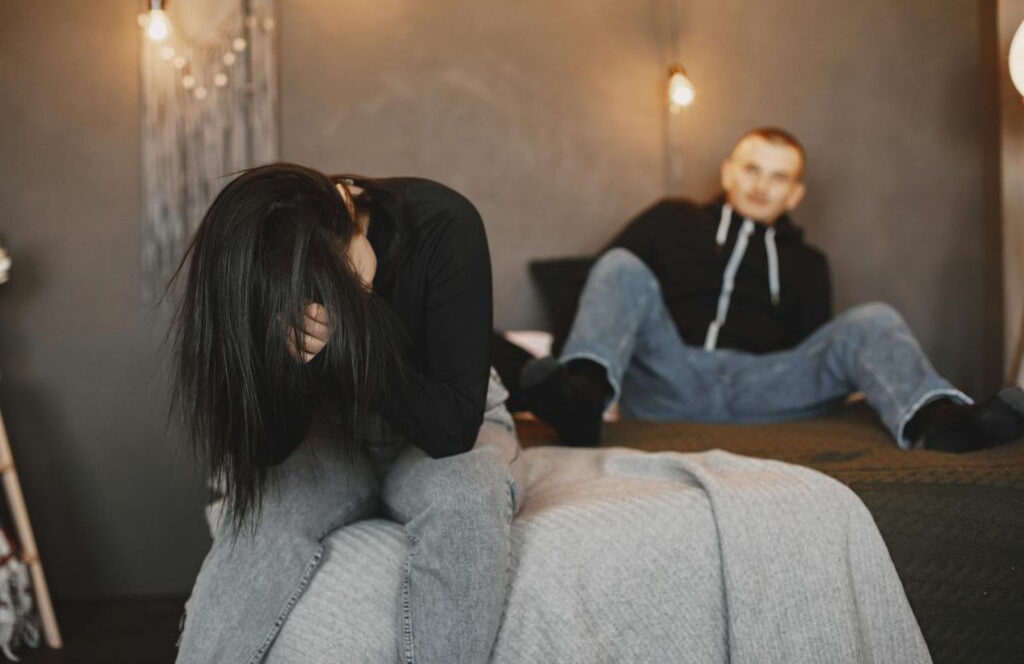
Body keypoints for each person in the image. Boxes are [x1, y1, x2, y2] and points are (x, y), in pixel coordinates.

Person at [172, 163, 525, 663]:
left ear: (348, 212)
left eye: (345, 279)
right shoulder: (272, 262)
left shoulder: (443, 223)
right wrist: (285, 364)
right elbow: (267, 453)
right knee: (262, 513)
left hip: (446, 425)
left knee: (468, 498)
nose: (353, 296)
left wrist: (352, 343)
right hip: (332, 434)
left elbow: (454, 428)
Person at [518, 127, 1024, 452]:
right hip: (669, 377)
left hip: (762, 386)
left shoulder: (807, 262)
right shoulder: (671, 218)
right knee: (621, 266)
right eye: (752, 169)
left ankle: (937, 422)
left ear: (795, 193)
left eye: (778, 177)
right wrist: (569, 367)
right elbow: (596, 286)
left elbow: (813, 352)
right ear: (728, 172)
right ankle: (580, 403)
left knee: (871, 317)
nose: (762, 185)